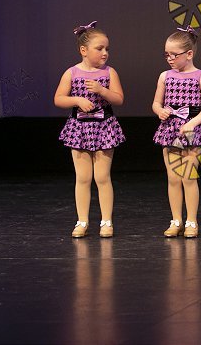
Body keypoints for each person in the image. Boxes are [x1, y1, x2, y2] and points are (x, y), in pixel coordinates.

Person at [55, 21, 125, 238]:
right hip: (80, 129)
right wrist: (77, 100)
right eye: (99, 48)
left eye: (107, 49)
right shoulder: (72, 73)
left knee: (102, 177)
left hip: (104, 127)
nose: (105, 53)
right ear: (83, 50)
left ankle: (106, 221)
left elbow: (119, 99)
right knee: (83, 178)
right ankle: (82, 221)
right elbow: (59, 98)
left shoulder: (109, 73)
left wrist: (102, 91)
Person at [153, 27, 201, 238]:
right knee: (173, 178)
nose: (170, 59)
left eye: (174, 55)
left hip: (191, 131)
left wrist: (193, 123)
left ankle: (191, 221)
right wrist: (159, 110)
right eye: (167, 55)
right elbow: (156, 102)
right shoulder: (165, 76)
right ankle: (176, 220)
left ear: (189, 54)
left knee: (188, 177)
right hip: (170, 129)